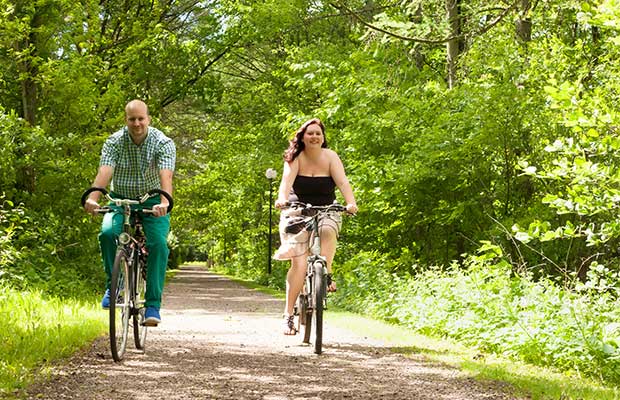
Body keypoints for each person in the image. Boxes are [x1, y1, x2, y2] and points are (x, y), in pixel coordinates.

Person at [83, 99, 176, 326]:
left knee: (158, 245)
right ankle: (115, 287)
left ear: (148, 119)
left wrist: (164, 202)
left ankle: (152, 305)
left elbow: (166, 176)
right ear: (126, 120)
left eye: (141, 118)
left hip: (152, 199)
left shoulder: (162, 142)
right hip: (120, 198)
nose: (137, 123)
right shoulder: (114, 141)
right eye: (132, 119)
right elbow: (105, 171)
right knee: (107, 233)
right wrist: (93, 198)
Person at [274, 118, 358, 335]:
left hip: (326, 209)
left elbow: (342, 182)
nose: (314, 137)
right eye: (310, 133)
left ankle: (326, 273)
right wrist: (282, 199)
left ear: (323, 138)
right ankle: (288, 315)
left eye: (318, 134)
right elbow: (285, 183)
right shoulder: (295, 157)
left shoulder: (330, 157)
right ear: (302, 137)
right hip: (297, 209)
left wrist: (351, 202)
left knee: (328, 231)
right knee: (299, 264)